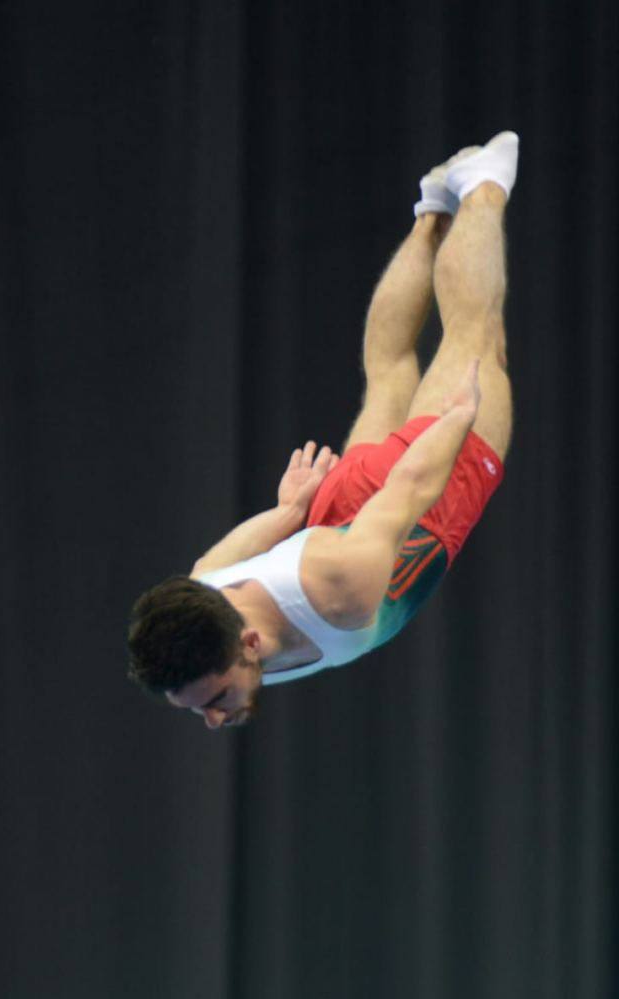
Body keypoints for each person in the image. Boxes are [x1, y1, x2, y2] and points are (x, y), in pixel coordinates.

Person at [128, 131, 519, 729]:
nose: (213, 719)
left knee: (475, 339)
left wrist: (459, 419)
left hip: (415, 513)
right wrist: (289, 513)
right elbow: (232, 550)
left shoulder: (341, 592)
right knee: (387, 376)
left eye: (213, 700)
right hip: (328, 521)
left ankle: (484, 185)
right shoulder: (203, 591)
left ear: (251, 643)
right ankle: (431, 211)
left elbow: (408, 490)